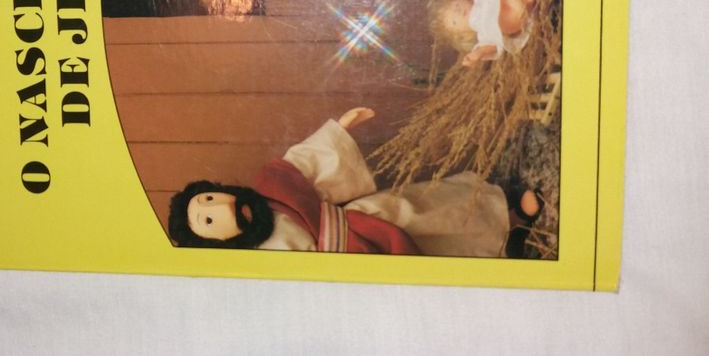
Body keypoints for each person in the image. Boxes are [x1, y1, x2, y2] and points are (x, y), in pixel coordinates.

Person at [169, 107, 543, 257]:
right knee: (432, 260)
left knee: (429, 211)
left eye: (210, 199)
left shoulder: (271, 187)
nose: (222, 208)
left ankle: (504, 210)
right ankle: (502, 248)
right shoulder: (258, 264)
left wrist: (342, 127)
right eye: (208, 220)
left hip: (364, 220)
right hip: (352, 264)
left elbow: (304, 161)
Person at [429, 0, 536, 67]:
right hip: (512, 21)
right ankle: (525, 6)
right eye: (454, 22)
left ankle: (525, 0)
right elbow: (492, 46)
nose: (459, 12)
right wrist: (477, 54)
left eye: (456, 6)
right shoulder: (482, 33)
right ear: (463, 35)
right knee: (499, 32)